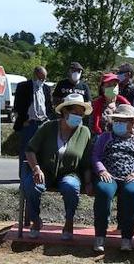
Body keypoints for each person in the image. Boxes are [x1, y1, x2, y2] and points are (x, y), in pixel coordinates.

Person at [22, 94, 94, 240]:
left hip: (70, 173)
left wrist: (88, 182)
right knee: (31, 185)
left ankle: (69, 222)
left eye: (81, 114)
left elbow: (86, 162)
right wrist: (36, 168)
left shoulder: (84, 132)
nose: (78, 117)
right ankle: (36, 221)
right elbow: (30, 149)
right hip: (45, 171)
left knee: (70, 186)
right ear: (65, 112)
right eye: (75, 113)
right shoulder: (48, 127)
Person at [91, 103, 134, 253]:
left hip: (131, 178)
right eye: (117, 120)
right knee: (103, 191)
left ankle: (127, 238)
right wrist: (102, 170)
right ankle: (100, 236)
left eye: (123, 121)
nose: (119, 123)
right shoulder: (105, 137)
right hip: (109, 176)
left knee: (131, 193)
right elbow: (96, 156)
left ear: (131, 123)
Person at [12, 66, 54, 172]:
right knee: (26, 150)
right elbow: (17, 106)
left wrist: (48, 120)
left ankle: (37, 173)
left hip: (43, 123)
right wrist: (22, 121)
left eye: (45, 78)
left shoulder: (46, 88)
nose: (43, 81)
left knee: (42, 150)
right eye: (41, 78)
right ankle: (23, 175)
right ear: (35, 75)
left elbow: (49, 106)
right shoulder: (23, 87)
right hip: (29, 124)